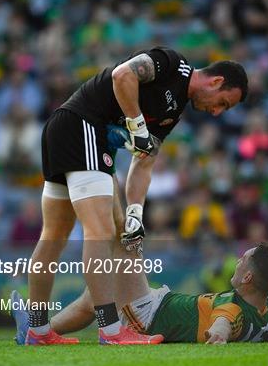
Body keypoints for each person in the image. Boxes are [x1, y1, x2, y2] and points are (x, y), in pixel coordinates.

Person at [28, 46, 248, 345]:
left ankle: (38, 331)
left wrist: (135, 210)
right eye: (222, 102)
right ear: (216, 81)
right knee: (102, 232)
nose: (217, 111)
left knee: (55, 235)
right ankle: (110, 330)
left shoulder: (172, 114)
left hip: (66, 130)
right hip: (83, 127)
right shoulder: (173, 64)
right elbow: (122, 75)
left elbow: (144, 161)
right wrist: (136, 123)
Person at [11, 242, 268, 344]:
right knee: (92, 297)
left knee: (125, 237)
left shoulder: (233, 306)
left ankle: (36, 325)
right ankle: (32, 333)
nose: (236, 263)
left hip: (146, 314)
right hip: (151, 303)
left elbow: (226, 321)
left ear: (247, 279)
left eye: (242, 261)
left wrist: (219, 336)